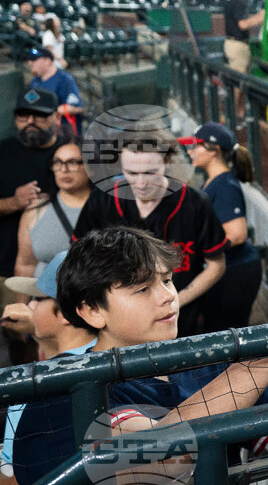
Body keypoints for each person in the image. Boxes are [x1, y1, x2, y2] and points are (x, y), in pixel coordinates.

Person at [12, 226, 268, 484]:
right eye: (142, 288)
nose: (167, 297)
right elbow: (158, 458)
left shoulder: (197, 361)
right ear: (91, 311)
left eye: (167, 280)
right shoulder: (66, 386)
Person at [74, 128, 227, 337]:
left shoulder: (194, 203)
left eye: (149, 173)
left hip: (182, 323)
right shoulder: (102, 201)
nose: (141, 183)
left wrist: (175, 300)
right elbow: (79, 262)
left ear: (166, 162)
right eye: (131, 173)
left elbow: (216, 265)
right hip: (120, 326)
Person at [0, 251, 95, 479]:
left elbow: (12, 475)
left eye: (37, 298)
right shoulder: (112, 353)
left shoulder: (31, 383)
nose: (29, 306)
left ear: (64, 313)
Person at [180, 122, 262, 331]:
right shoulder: (212, 182)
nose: (190, 151)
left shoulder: (225, 184)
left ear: (214, 150)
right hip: (226, 272)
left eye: (195, 146)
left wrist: (200, 247)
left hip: (235, 272)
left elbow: (237, 234)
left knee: (227, 336)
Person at [0, 89, 62, 293]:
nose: (30, 121)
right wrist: (14, 202)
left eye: (40, 115)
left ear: (57, 117)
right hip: (6, 269)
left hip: (64, 274)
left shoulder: (74, 154)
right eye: (23, 116)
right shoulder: (3, 152)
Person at [13, 140, 91, 298]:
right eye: (58, 163)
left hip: (89, 305)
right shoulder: (36, 210)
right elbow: (25, 265)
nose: (64, 169)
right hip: (43, 305)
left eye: (73, 162)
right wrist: (20, 307)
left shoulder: (108, 208)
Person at [27, 47, 82, 134]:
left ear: (48, 61)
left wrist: (53, 111)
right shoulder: (35, 82)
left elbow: (77, 107)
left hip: (63, 133)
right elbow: (30, 101)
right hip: (42, 132)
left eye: (34, 60)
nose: (30, 63)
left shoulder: (65, 79)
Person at [224, 0, 267, 73]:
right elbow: (243, 25)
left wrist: (260, 15)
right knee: (239, 81)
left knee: (243, 78)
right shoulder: (238, 2)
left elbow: (244, 20)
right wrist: (263, 17)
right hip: (237, 45)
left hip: (236, 44)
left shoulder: (235, 1)